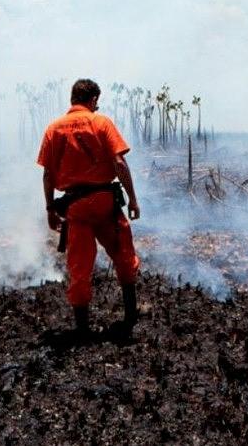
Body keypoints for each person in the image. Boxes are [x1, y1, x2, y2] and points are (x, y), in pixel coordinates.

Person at [37, 78, 141, 339]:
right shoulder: (101, 122)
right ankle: (130, 317)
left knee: (79, 267)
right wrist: (133, 198)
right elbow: (119, 162)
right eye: (97, 101)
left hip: (76, 208)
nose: (97, 106)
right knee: (123, 254)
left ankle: (82, 329)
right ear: (92, 99)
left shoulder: (54, 129)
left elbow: (48, 175)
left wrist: (50, 209)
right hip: (105, 202)